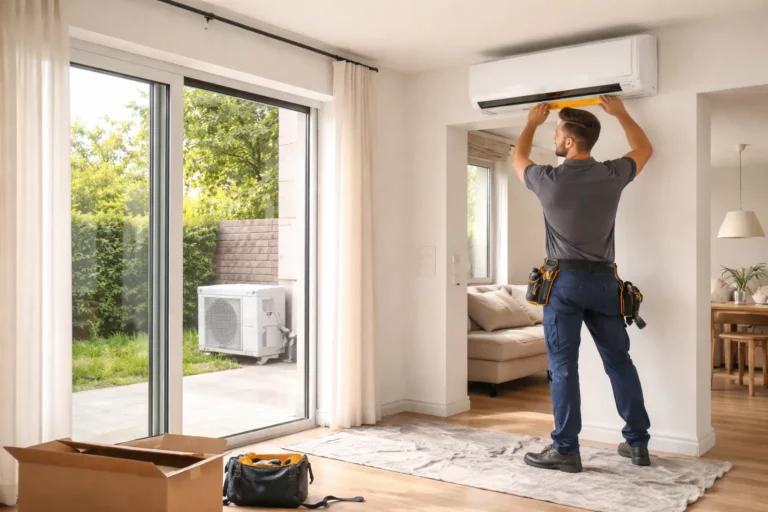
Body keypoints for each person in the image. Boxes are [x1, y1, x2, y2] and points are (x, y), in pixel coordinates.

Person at [511, 96, 653, 474]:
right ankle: (637, 443)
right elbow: (645, 148)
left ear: (570, 142)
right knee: (619, 362)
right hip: (606, 282)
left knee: (563, 368)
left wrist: (530, 124)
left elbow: (516, 158)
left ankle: (566, 450)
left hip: (564, 283)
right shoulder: (611, 174)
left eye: (557, 133)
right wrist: (622, 114)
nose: (554, 138)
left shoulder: (547, 179)